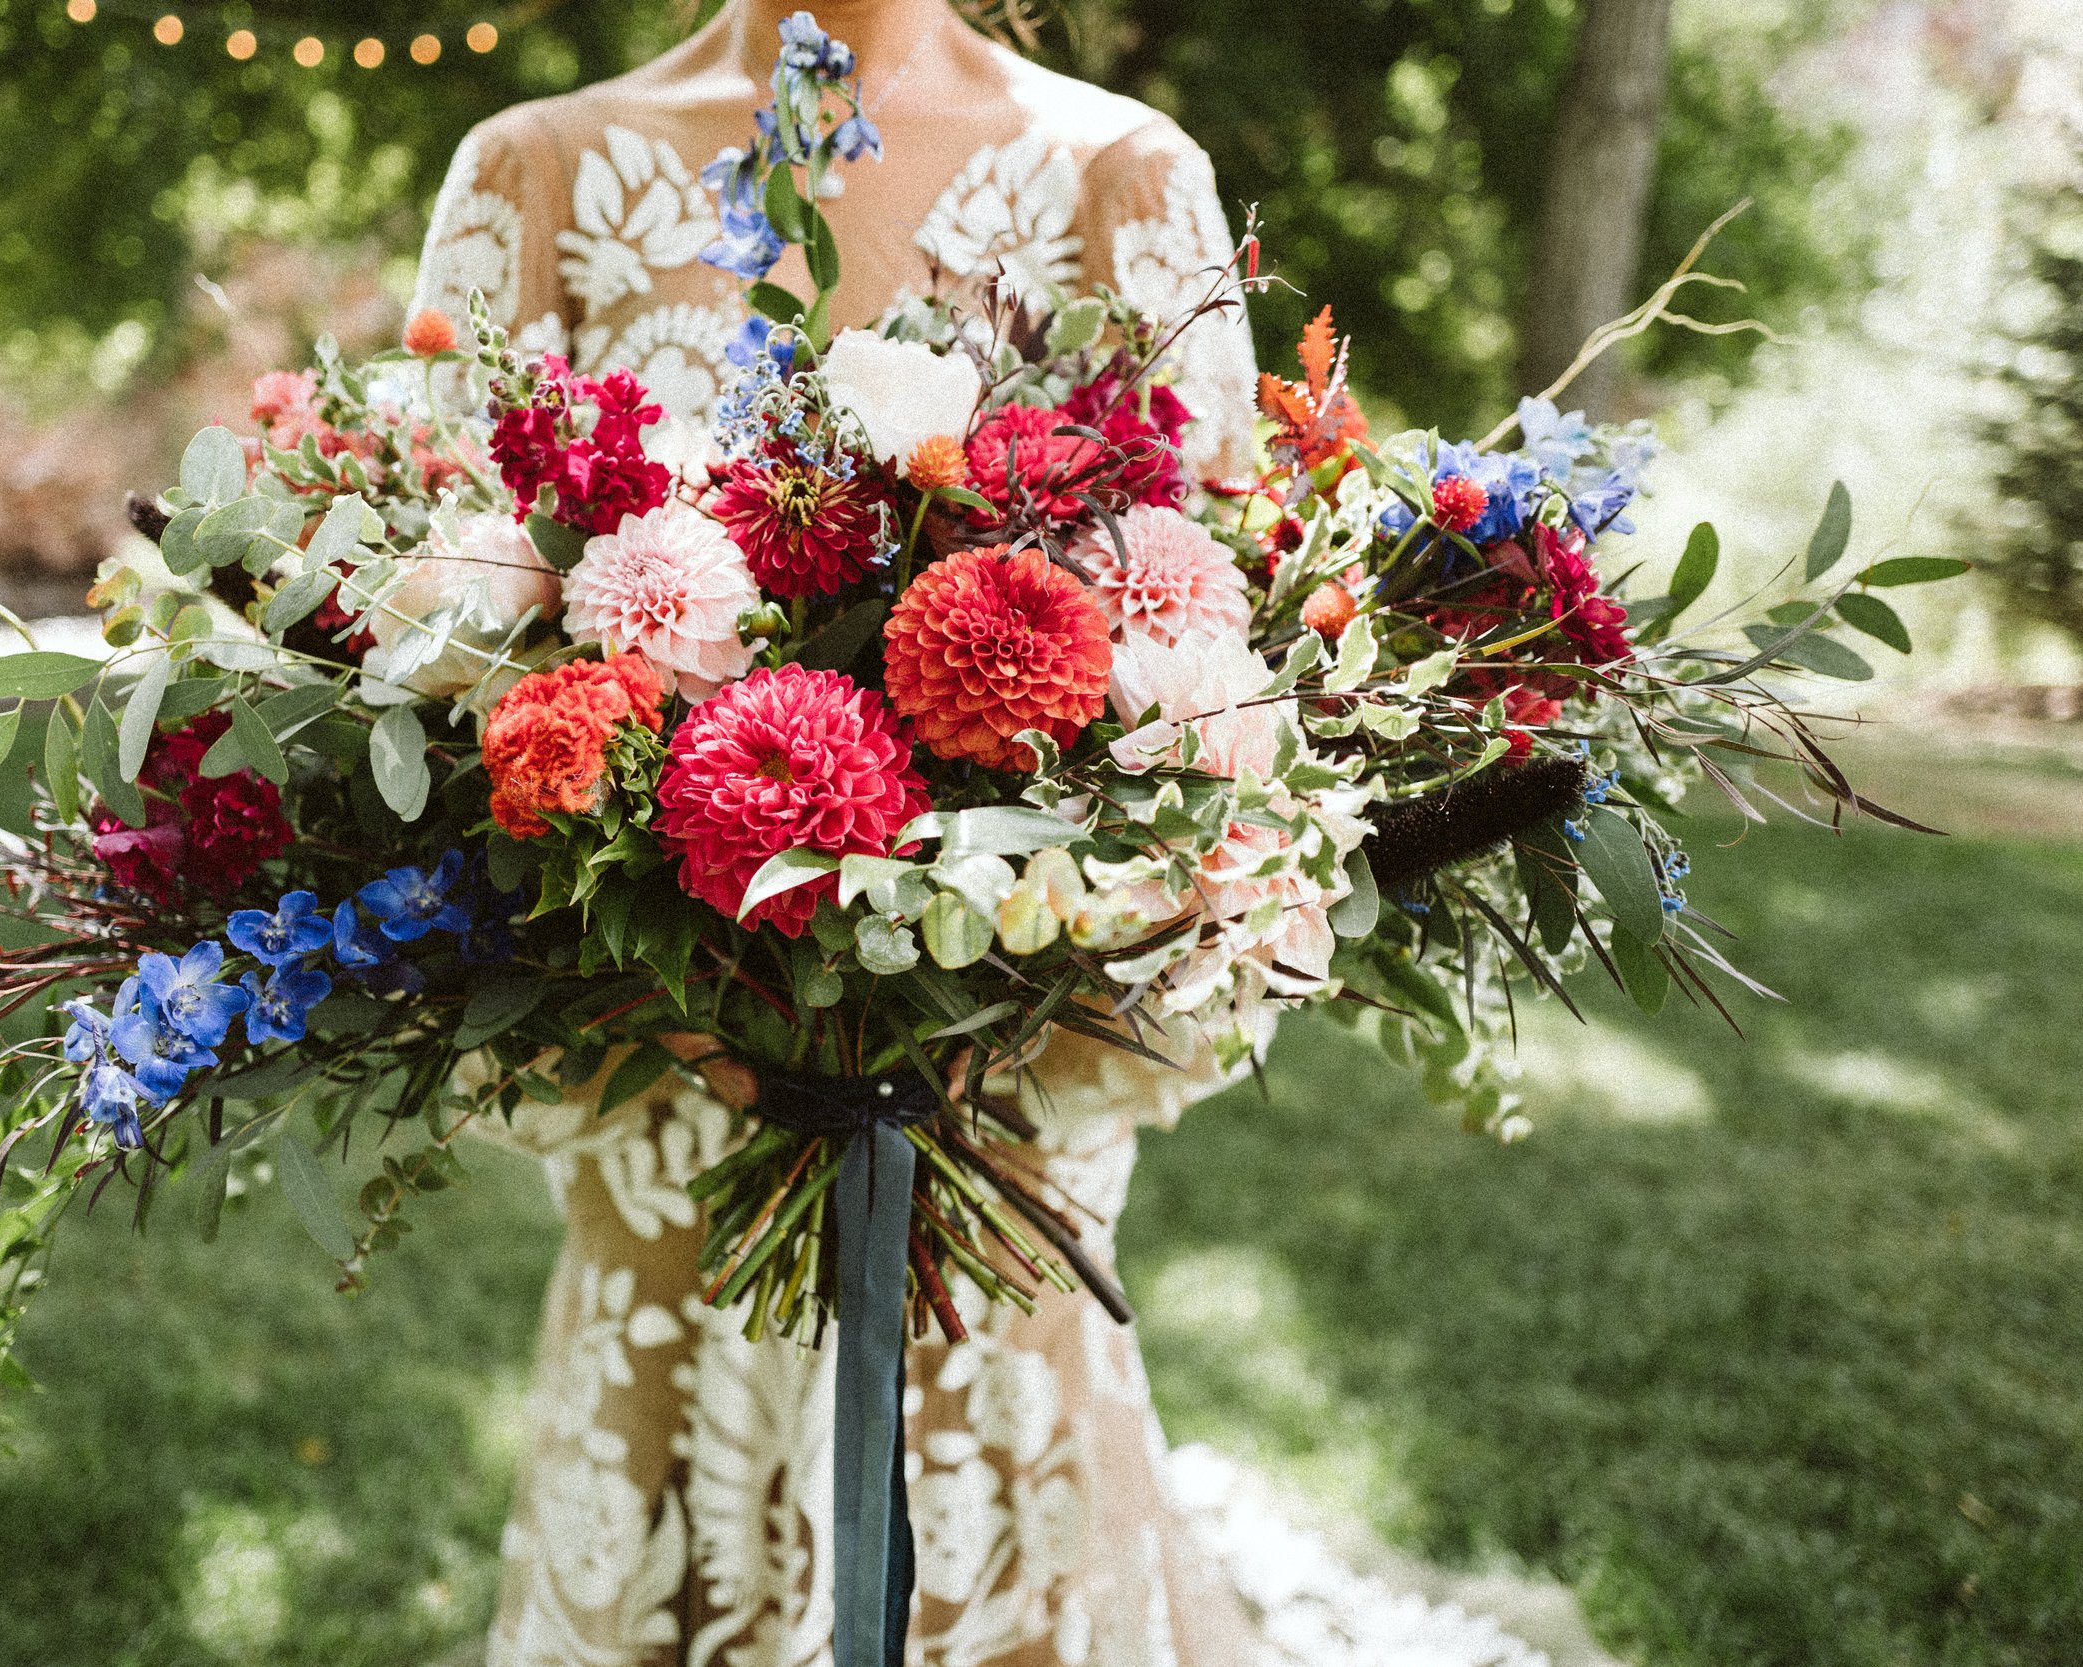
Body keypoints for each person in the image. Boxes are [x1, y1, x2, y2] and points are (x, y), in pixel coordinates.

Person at [409, 6, 1540, 1663]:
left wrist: (994, 989)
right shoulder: (537, 170)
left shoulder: (1118, 176)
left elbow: (1219, 683)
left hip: (988, 1137)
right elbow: (422, 680)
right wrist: (655, 993)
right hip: (657, 1128)